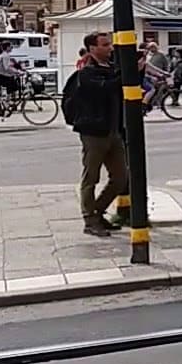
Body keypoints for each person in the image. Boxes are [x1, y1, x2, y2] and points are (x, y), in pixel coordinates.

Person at [67, 31, 128, 237]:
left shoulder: (110, 68)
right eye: (104, 45)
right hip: (93, 131)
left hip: (113, 130)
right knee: (90, 177)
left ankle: (97, 211)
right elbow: (107, 88)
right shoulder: (87, 71)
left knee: (120, 177)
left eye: (109, 44)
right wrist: (127, 73)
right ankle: (89, 219)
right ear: (93, 48)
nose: (109, 48)